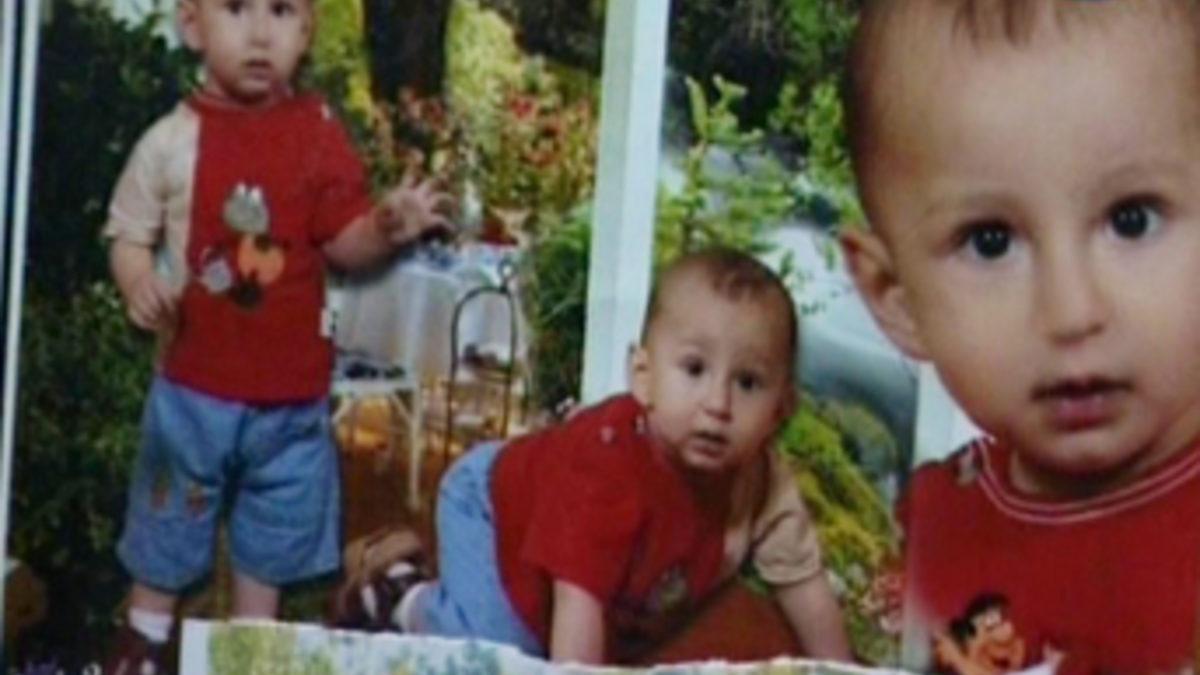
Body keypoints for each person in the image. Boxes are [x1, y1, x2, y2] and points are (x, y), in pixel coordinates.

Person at [840, 0, 1200, 672]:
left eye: (1132, 219)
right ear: (897, 297)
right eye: (991, 241)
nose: (1071, 311)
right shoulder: (933, 528)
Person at [100, 0, 450, 671]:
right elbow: (129, 232)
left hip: (291, 401)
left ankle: (249, 650)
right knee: (167, 525)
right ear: (193, 24)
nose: (261, 33)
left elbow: (343, 241)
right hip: (193, 390)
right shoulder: (171, 140)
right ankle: (144, 640)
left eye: (282, 10)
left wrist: (385, 228)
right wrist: (137, 280)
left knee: (270, 540)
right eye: (237, 9)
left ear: (307, 29)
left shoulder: (317, 131)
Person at [333, 248, 852, 664]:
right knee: (503, 652)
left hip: (577, 562)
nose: (717, 404)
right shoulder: (607, 468)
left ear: (782, 408)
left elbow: (804, 586)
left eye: (748, 382)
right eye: (694, 369)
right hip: (492, 508)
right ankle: (400, 593)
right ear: (643, 377)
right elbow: (578, 605)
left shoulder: (762, 483)